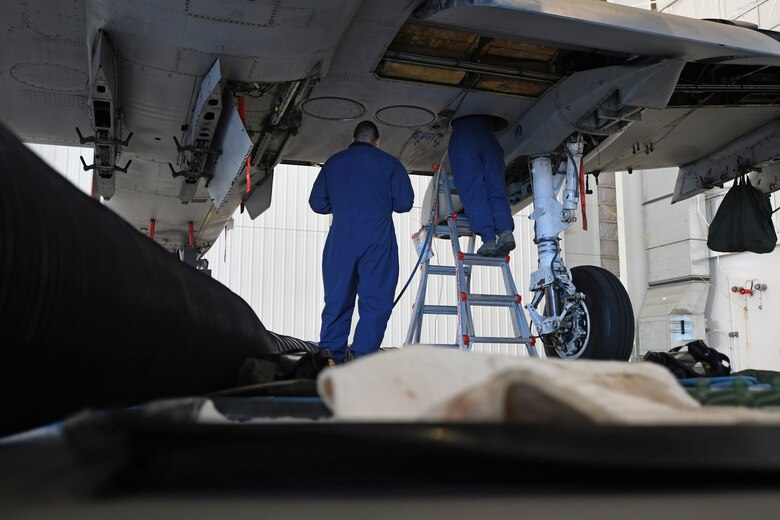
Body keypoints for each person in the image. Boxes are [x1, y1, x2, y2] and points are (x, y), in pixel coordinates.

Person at [309, 121, 414, 363]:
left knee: (336, 299)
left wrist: (342, 205)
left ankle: (329, 358)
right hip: (377, 240)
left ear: (353, 138)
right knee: (376, 302)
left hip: (341, 239)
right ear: (377, 142)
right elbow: (404, 204)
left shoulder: (334, 162)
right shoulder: (390, 164)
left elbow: (317, 204)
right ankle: (362, 360)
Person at [448, 115, 515, 256]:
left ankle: (488, 239)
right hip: (488, 137)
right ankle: (506, 233)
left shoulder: (461, 134)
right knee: (496, 188)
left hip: (463, 134)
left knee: (473, 191)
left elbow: (472, 191)